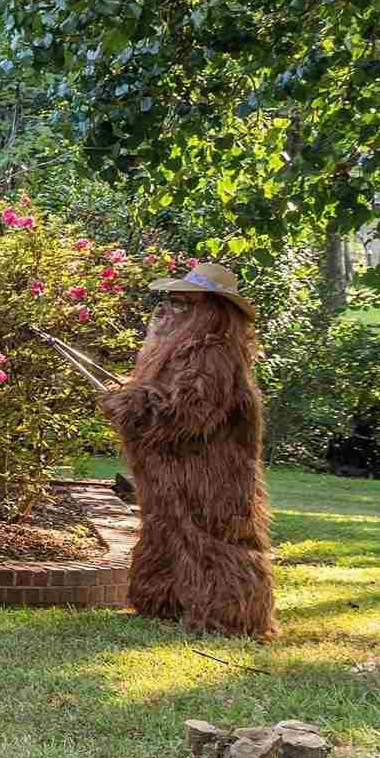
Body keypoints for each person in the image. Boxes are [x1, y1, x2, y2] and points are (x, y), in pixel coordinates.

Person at [97, 262, 275, 638]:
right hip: (171, 474)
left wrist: (129, 403)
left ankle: (231, 617)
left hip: (209, 479)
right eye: (172, 301)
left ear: (210, 311)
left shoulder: (214, 353)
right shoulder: (176, 350)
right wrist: (132, 394)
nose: (169, 311)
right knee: (165, 532)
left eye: (183, 304)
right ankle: (163, 603)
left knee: (211, 540)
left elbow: (186, 415)